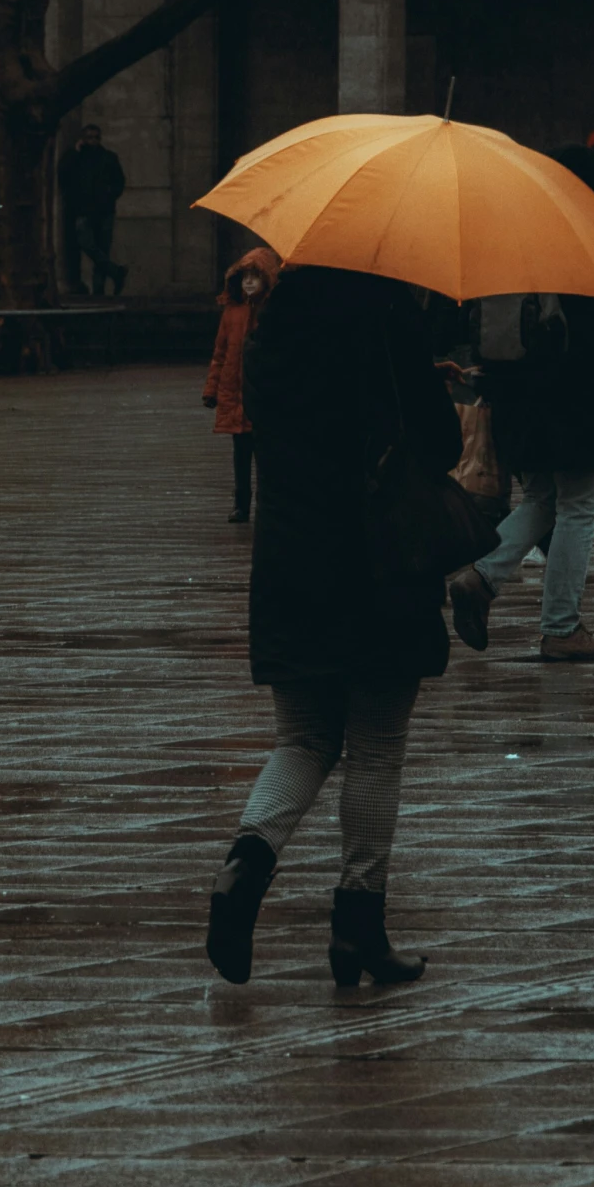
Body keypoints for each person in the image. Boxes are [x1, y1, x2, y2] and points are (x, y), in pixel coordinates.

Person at [204, 266, 462, 989]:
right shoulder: (387, 310)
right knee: (376, 748)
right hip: (376, 560)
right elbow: (437, 444)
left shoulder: (271, 323)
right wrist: (426, 380)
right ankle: (358, 928)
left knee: (304, 738)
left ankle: (243, 869)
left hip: (289, 560)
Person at [448, 147, 594, 664]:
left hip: (517, 399)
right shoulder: (587, 247)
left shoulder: (512, 240)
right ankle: (561, 627)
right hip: (574, 403)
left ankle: (480, 576)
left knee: (540, 501)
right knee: (577, 508)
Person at [202, 247, 280, 523]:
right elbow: (220, 353)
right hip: (236, 394)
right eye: (245, 276)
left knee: (265, 453)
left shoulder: (271, 311)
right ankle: (241, 503)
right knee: (241, 454)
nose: (249, 282)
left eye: (255, 276)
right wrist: (211, 389)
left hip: (262, 393)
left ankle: (265, 503)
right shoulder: (232, 312)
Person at [59, 123, 126, 296]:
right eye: (89, 137)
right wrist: (75, 152)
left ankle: (99, 291)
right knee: (87, 244)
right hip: (83, 211)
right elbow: (63, 174)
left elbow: (119, 182)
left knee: (102, 249)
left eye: (96, 137)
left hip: (104, 211)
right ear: (83, 139)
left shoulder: (109, 157)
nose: (93, 141)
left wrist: (109, 196)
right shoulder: (76, 158)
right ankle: (115, 272)